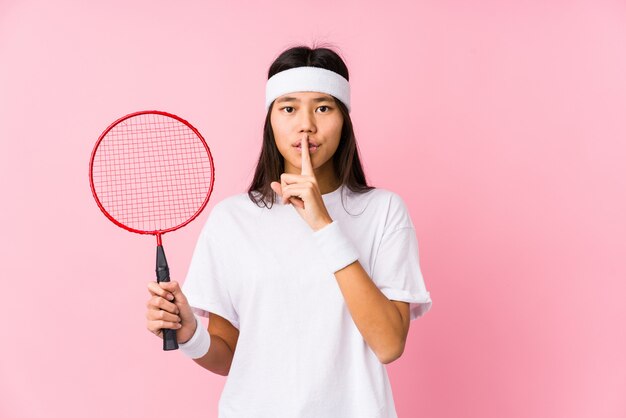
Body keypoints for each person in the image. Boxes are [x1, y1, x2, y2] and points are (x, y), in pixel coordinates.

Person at [145, 44, 433, 418]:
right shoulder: (233, 219)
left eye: (323, 108)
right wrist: (189, 335)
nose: (306, 124)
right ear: (271, 120)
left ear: (344, 120)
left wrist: (323, 224)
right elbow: (230, 355)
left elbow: (389, 344)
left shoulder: (384, 211)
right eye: (289, 108)